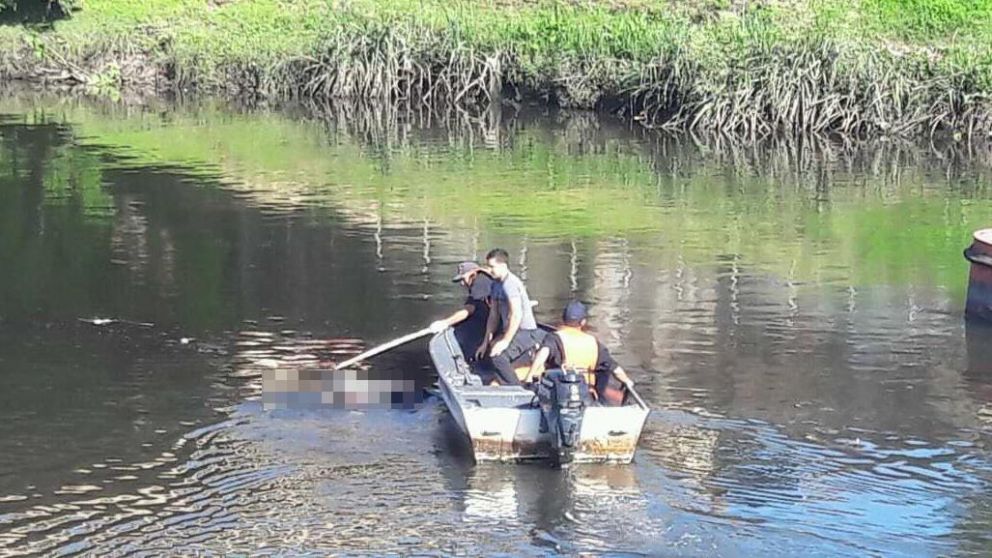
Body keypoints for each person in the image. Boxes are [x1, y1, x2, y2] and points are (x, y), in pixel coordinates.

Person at [527, 300, 633, 401]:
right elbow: (615, 369)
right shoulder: (594, 343)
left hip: (559, 395)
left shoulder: (554, 338)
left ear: (563, 319)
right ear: (583, 322)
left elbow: (542, 354)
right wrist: (627, 381)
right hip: (587, 395)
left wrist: (529, 377)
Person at [476, 248, 545, 385]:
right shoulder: (496, 284)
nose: (489, 270)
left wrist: (505, 342)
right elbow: (493, 315)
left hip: (526, 332)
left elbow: (516, 314)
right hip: (512, 331)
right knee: (489, 351)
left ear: (503, 266)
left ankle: (517, 389)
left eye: (492, 267)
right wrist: (485, 342)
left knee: (498, 356)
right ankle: (504, 382)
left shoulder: (510, 284)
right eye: (488, 266)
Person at [429, 262, 494, 358]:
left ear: (473, 273)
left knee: (463, 330)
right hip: (488, 316)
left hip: (493, 321)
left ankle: (471, 356)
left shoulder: (481, 281)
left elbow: (469, 309)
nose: (462, 283)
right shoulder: (478, 282)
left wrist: (445, 323)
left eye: (463, 279)